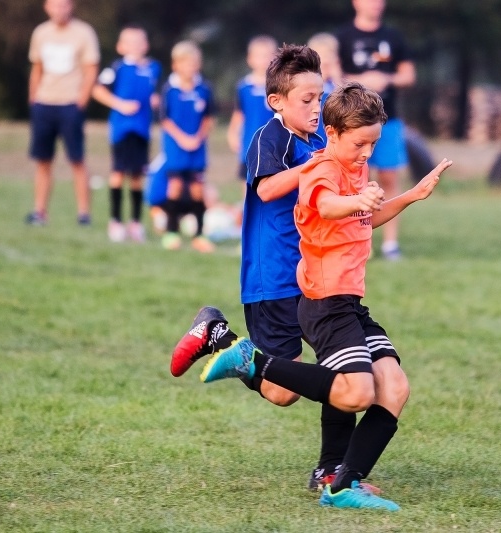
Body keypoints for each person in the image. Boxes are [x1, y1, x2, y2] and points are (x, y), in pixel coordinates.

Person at [179, 82, 452, 510]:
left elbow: (364, 218)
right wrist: (358, 197)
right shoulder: (320, 168)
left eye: (373, 144)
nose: (366, 153)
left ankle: (342, 481)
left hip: (350, 305)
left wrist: (411, 196)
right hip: (325, 306)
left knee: (394, 387)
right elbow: (326, 206)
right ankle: (251, 361)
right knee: (356, 393)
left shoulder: (353, 167)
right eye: (360, 143)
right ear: (334, 133)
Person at [171, 44, 362, 494]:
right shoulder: (270, 137)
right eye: (306, 99)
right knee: (283, 392)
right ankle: (220, 337)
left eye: (319, 97)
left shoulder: (319, 142)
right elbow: (268, 189)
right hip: (273, 277)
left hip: (316, 274)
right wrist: (316, 165)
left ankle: (330, 469)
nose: (315, 107)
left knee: (342, 364)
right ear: (277, 101)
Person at [335, 0, 416, 260]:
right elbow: (332, 74)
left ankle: (391, 244)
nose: (376, 4)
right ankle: (360, 240)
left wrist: (387, 79)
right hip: (354, 122)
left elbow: (408, 75)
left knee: (389, 179)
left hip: (387, 122)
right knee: (356, 181)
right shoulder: (343, 37)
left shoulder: (393, 36)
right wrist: (361, 81)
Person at [25, 0, 100, 226]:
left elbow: (91, 70)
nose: (60, 9)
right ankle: (40, 211)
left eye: (64, 5)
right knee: (43, 161)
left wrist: (81, 101)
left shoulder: (83, 33)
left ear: (72, 6)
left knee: (77, 160)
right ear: (47, 7)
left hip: (70, 104)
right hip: (44, 103)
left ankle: (84, 214)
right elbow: (37, 67)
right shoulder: (41, 33)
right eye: (55, 5)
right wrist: (34, 98)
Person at [91, 25, 161, 243]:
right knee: (119, 172)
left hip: (142, 130)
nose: (136, 46)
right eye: (130, 42)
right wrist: (120, 104)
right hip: (122, 129)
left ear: (146, 45)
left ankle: (136, 223)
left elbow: (154, 93)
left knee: (138, 175)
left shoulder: (153, 68)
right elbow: (97, 89)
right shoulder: (117, 68)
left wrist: (155, 100)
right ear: (120, 47)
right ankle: (115, 221)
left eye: (140, 41)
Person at [159, 40, 217, 252]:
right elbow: (164, 119)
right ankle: (171, 232)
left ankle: (199, 234)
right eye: (185, 63)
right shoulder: (169, 89)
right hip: (175, 147)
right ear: (175, 65)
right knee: (174, 186)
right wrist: (182, 138)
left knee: (197, 188)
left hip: (197, 147)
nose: (190, 68)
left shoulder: (204, 89)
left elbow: (209, 118)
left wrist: (198, 137)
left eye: (194, 63)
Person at [226, 35, 278, 198]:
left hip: (274, 147)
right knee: (248, 190)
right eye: (259, 56)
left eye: (267, 56)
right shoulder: (244, 87)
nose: (263, 60)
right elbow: (239, 113)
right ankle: (247, 212)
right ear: (250, 59)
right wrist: (232, 134)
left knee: (272, 189)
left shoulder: (279, 86)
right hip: (250, 146)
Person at [307, 32, 343, 142]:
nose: (326, 59)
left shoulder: (336, 84)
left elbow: (346, 104)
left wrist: (337, 78)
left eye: (329, 54)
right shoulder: (307, 81)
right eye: (321, 54)